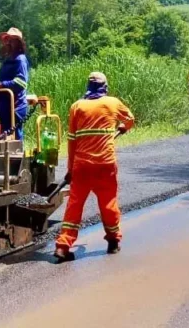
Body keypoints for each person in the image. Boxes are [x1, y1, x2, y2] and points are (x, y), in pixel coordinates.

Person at [54, 72, 135, 263]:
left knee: (74, 205)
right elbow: (130, 119)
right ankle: (113, 241)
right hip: (105, 165)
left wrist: (70, 169)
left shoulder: (77, 106)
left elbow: (72, 141)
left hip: (82, 166)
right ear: (104, 87)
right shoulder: (112, 103)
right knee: (108, 203)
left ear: (88, 87)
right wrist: (122, 128)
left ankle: (63, 247)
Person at [0, 27, 29, 141]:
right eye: (7, 40)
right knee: (5, 139)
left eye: (12, 40)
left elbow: (21, 83)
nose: (8, 43)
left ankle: (18, 153)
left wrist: (0, 85)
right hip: (4, 107)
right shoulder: (7, 60)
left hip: (15, 107)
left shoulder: (20, 60)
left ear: (19, 43)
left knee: (14, 139)